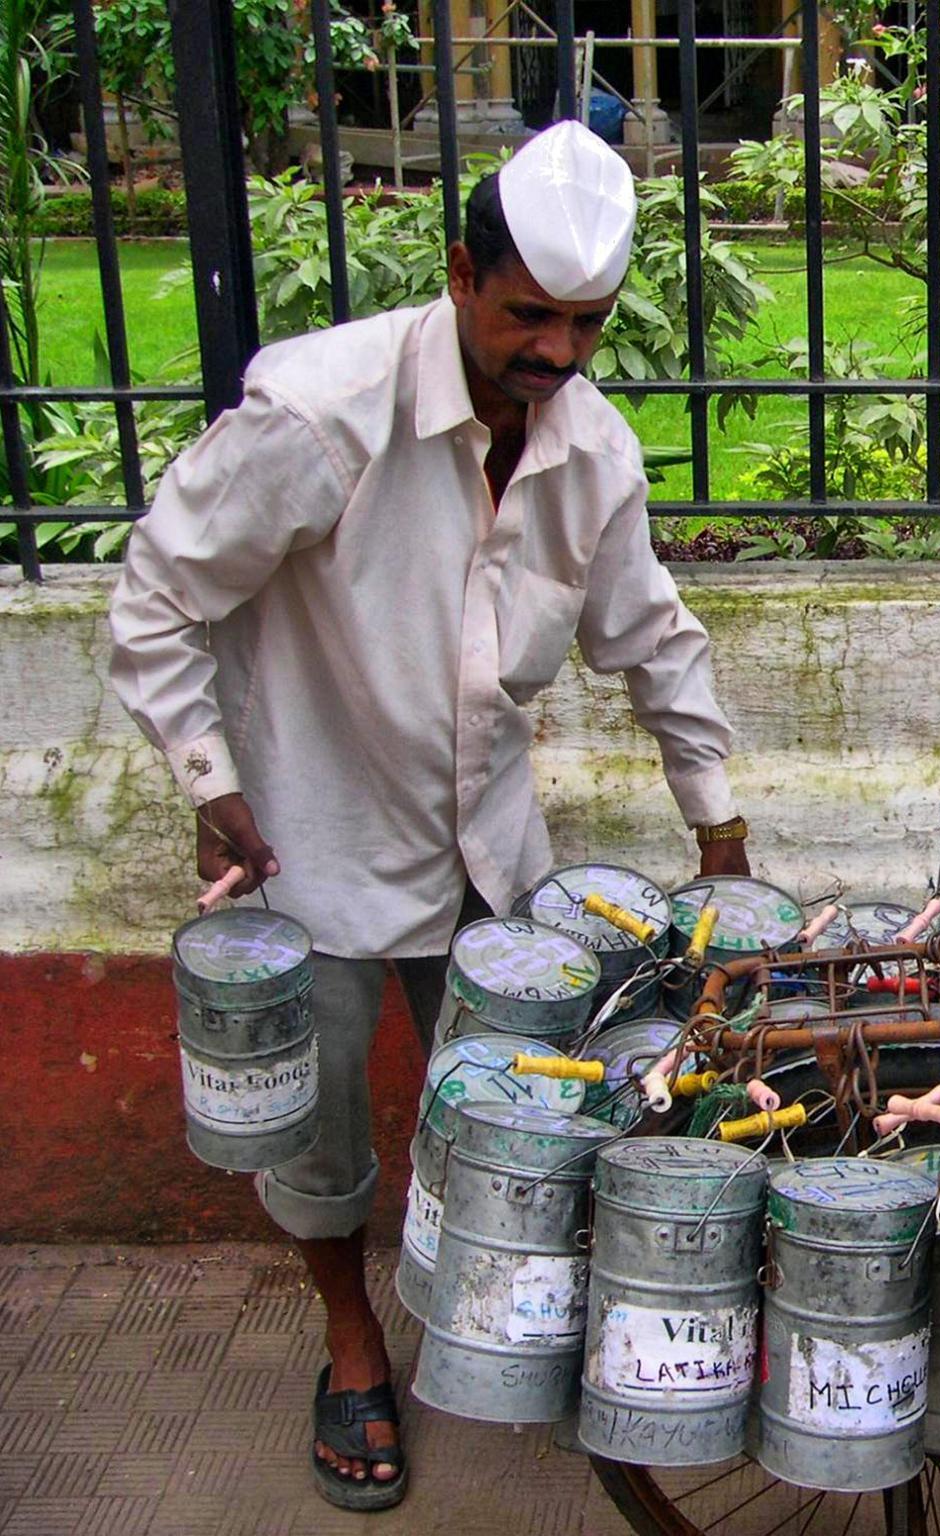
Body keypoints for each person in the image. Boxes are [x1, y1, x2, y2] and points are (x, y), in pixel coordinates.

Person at [108, 121, 749, 1512]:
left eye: (587, 323)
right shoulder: (321, 416)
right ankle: (350, 1344)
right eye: (530, 315)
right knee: (321, 1136)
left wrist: (722, 833)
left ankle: (501, 1335)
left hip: (489, 865)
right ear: (461, 274)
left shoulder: (591, 451)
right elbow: (159, 597)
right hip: (313, 853)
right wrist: (212, 786)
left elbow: (654, 639)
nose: (560, 354)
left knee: (521, 1120)